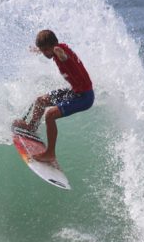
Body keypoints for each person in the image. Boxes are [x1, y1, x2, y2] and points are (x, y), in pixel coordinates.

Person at [13, 30, 94, 162]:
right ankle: (32, 127)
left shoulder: (61, 52)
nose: (45, 53)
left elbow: (63, 56)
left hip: (84, 97)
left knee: (50, 115)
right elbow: (50, 49)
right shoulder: (53, 50)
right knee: (40, 101)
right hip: (74, 91)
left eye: (46, 50)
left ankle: (50, 153)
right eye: (42, 50)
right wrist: (38, 50)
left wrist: (58, 51)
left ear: (54, 46)